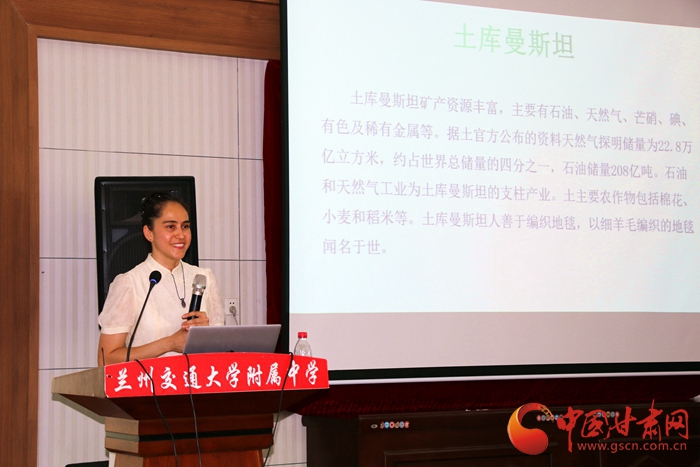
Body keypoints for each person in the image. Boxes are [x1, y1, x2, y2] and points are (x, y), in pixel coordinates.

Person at [97, 192, 224, 366]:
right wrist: (169, 343)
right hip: (150, 382)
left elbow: (222, 352)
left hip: (198, 380)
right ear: (148, 233)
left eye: (185, 226)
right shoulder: (130, 283)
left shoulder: (205, 278)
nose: (181, 235)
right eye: (171, 227)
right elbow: (105, 359)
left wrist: (207, 335)